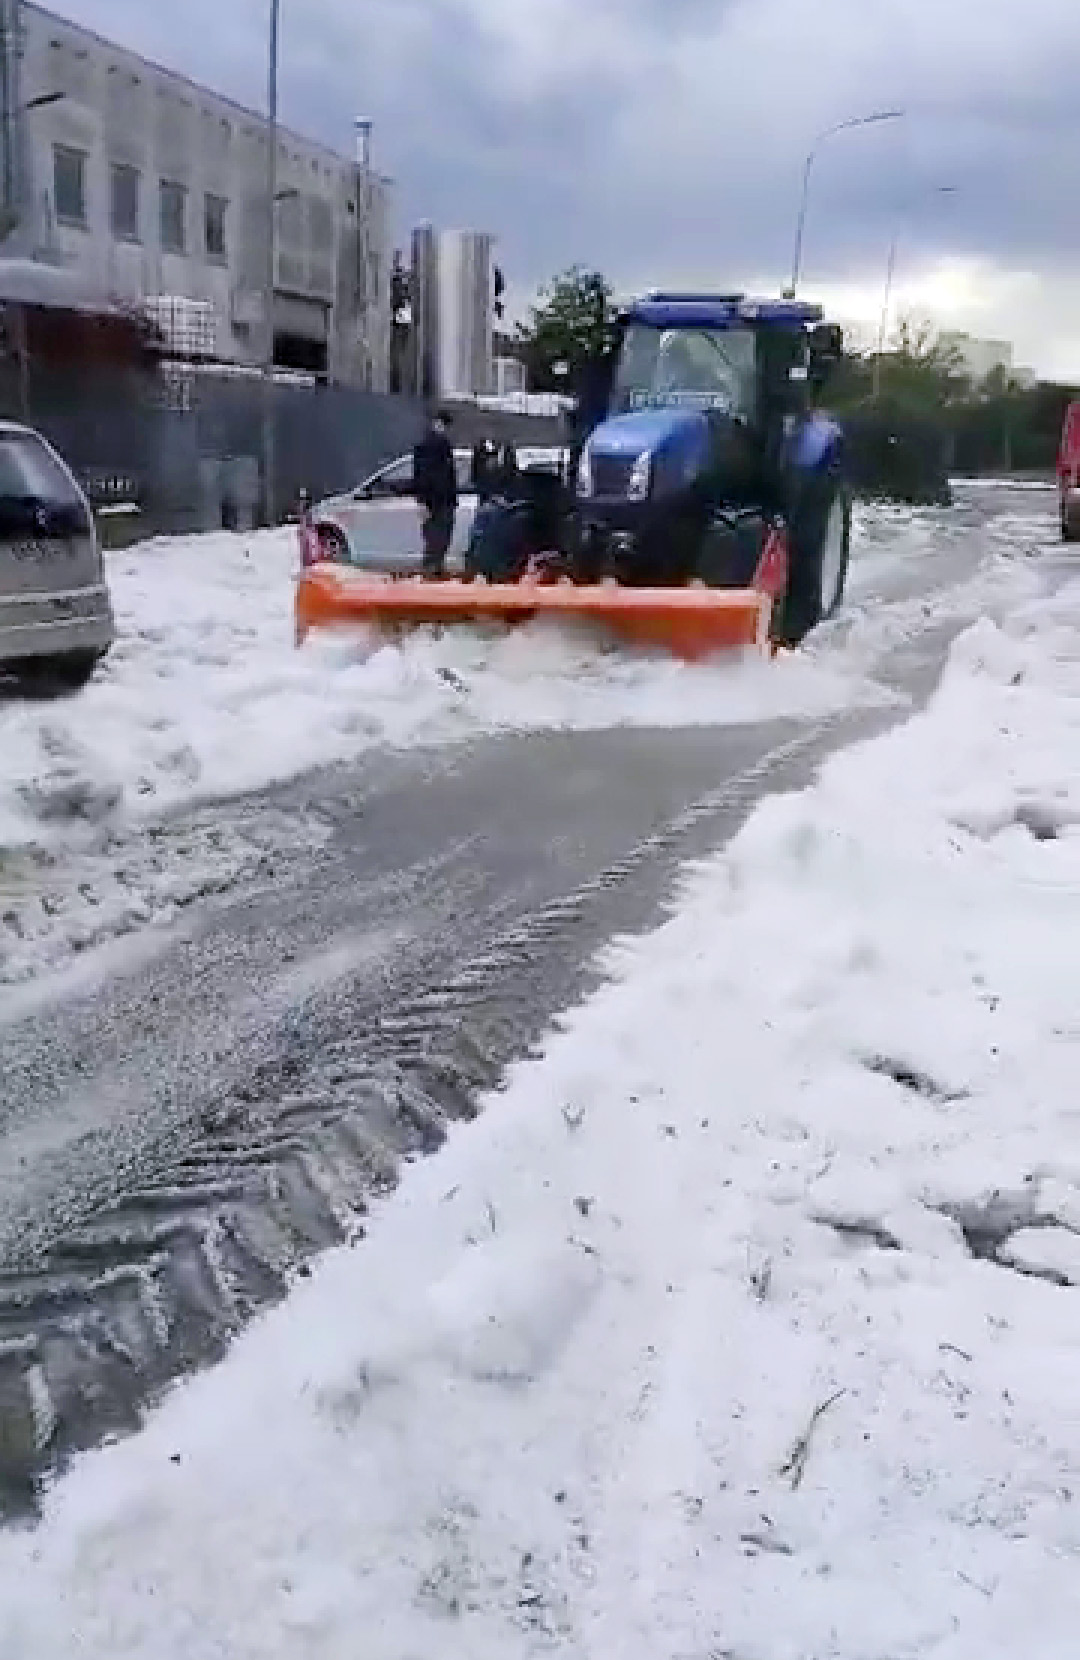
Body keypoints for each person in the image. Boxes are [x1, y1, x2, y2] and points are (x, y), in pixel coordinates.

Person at [413, 409, 458, 576]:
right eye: (442, 425)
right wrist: (423, 501)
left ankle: (433, 571)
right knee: (437, 540)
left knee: (437, 540)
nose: (444, 429)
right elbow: (423, 475)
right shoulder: (431, 445)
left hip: (440, 500)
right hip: (437, 501)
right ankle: (431, 572)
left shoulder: (435, 444)